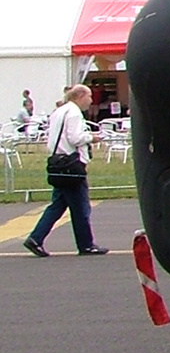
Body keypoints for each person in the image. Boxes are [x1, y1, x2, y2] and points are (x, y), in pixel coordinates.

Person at [21, 84, 107, 256]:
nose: (91, 101)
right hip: (71, 164)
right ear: (80, 96)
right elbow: (75, 137)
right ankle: (86, 244)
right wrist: (93, 137)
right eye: (89, 97)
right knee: (80, 206)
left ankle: (36, 238)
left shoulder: (59, 111)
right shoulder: (74, 113)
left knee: (58, 204)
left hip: (58, 163)